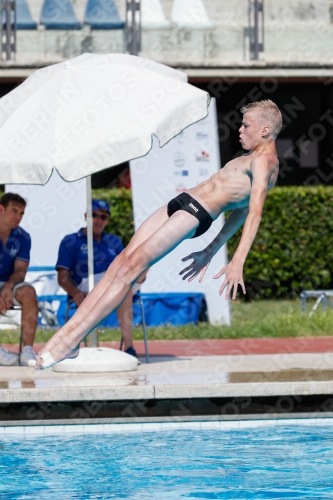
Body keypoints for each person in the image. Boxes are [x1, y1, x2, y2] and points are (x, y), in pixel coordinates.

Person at [36, 99, 282, 370]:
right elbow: (240, 210)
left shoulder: (265, 161)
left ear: (265, 130)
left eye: (246, 125)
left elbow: (253, 212)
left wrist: (236, 260)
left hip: (195, 214)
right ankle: (63, 337)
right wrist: (210, 250)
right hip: (183, 201)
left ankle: (70, 342)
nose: (240, 129)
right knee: (120, 262)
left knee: (130, 269)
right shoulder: (250, 158)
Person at [56, 199, 143, 358]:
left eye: (103, 217)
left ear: (108, 220)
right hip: (85, 285)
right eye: (94, 215)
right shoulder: (71, 240)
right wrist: (74, 292)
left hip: (115, 282)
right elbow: (62, 277)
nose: (99, 220)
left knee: (140, 264)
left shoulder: (114, 240)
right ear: (85, 216)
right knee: (124, 287)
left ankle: (129, 348)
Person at [0, 193, 38, 366]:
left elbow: (21, 271)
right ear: (1, 209)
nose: (18, 217)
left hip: (9, 284)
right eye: (14, 211)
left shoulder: (24, 237)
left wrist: (7, 287)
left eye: (21, 213)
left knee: (29, 292)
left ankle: (27, 351)